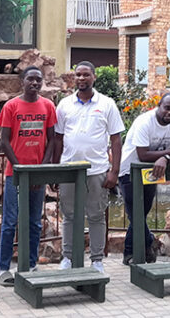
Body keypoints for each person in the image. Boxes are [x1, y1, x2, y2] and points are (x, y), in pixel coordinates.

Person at [53, 61, 124, 274]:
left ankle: (96, 260)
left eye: (86, 75)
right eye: (78, 75)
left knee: (96, 215)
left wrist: (114, 171)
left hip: (97, 171)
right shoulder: (64, 104)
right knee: (69, 215)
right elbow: (58, 139)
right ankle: (67, 258)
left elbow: (116, 139)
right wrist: (56, 168)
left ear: (94, 77)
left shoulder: (107, 103)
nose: (81, 79)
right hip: (69, 171)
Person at [0, 66, 57, 286]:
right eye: (30, 79)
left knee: (34, 222)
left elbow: (52, 139)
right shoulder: (11, 106)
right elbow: (4, 141)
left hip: (37, 174)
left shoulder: (48, 106)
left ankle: (31, 264)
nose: (34, 83)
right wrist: (20, 168)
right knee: (10, 222)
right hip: (16, 174)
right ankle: (3, 269)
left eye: (38, 80)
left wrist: (42, 167)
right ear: (22, 80)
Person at [118, 92, 170, 266]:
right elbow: (143, 155)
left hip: (152, 173)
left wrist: (165, 158)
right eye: (167, 108)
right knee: (136, 213)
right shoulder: (144, 121)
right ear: (159, 106)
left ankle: (129, 254)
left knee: (141, 214)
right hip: (129, 171)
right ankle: (148, 242)